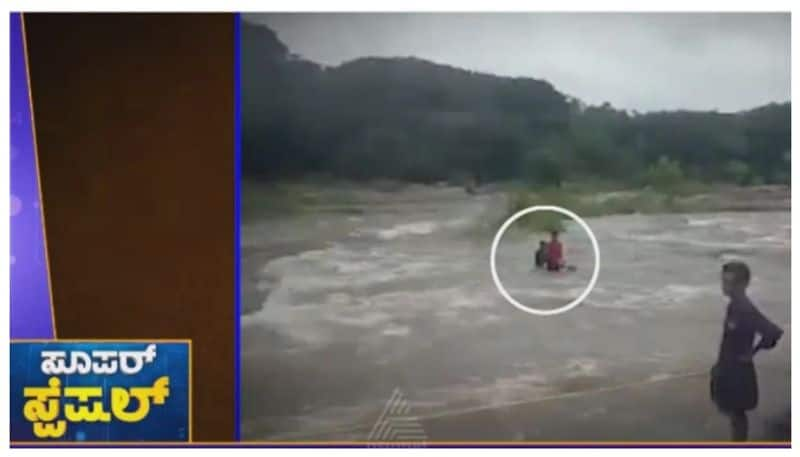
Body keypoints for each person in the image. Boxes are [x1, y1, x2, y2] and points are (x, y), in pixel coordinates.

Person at [710, 261, 783, 442]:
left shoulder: (744, 308)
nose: (725, 287)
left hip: (738, 370)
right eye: (724, 282)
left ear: (743, 284)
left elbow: (772, 332)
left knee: (737, 415)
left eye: (730, 283)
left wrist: (753, 352)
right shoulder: (734, 305)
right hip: (729, 366)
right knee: (734, 414)